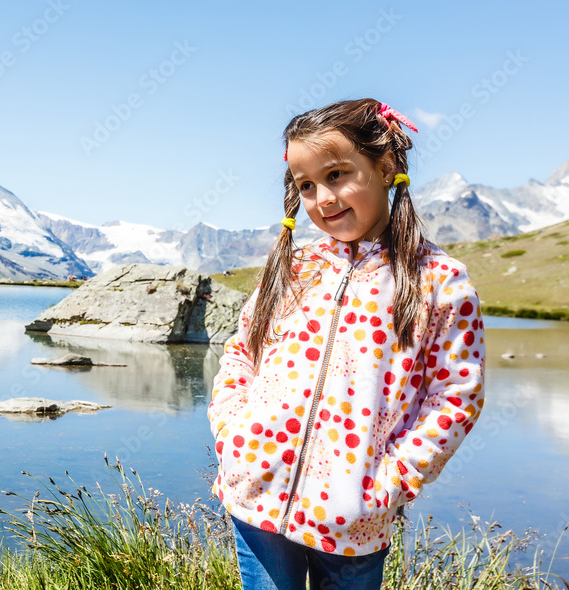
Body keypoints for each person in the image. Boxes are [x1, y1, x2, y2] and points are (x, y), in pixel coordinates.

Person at [207, 98, 485, 590]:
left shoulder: (439, 281)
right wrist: (234, 434)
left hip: (354, 515)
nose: (323, 198)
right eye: (306, 185)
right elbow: (240, 353)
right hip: (254, 492)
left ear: (386, 166)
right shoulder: (294, 269)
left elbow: (456, 396)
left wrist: (392, 481)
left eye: (337, 174)